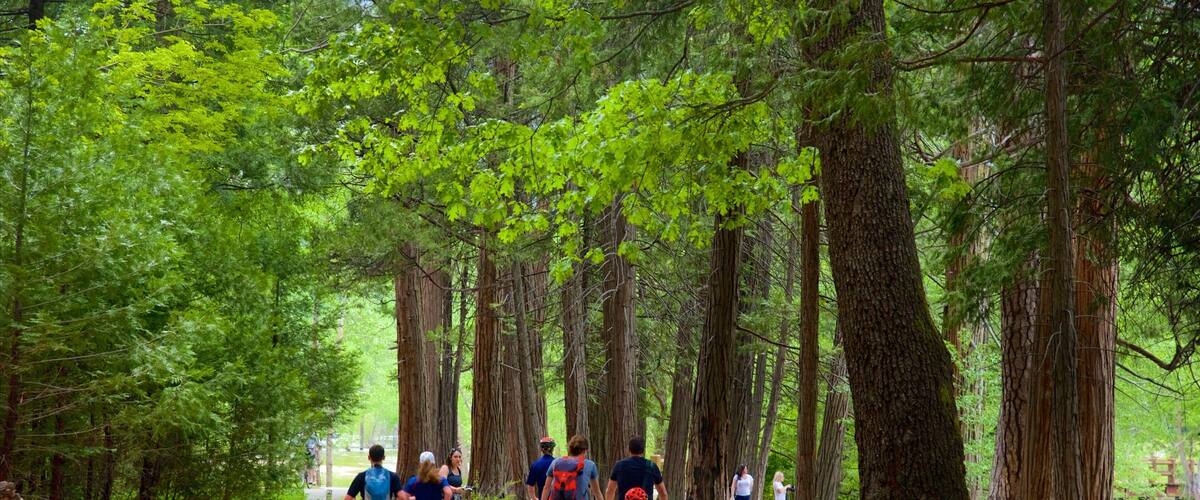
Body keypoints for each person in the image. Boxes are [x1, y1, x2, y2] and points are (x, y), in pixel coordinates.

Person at [540, 435, 600, 500]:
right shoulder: (590, 464)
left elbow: (546, 487)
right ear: (584, 451)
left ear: (570, 449)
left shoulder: (556, 462)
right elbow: (596, 492)